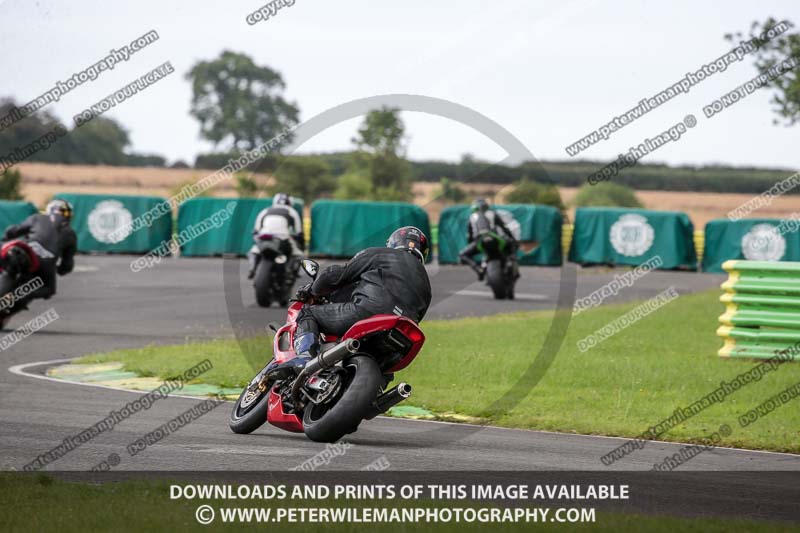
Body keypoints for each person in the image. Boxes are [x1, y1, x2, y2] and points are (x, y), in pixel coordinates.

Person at [276, 226, 432, 372]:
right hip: (403, 335)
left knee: (307, 314)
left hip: (369, 312)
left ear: (393, 243)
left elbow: (337, 274)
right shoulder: (426, 284)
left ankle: (304, 357)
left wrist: (312, 291)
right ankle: (375, 393)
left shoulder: (381, 254)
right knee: (384, 372)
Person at [1, 199, 77, 312]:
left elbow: (14, 230)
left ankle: (14, 298)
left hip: (23, 252)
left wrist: (7, 235)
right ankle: (16, 297)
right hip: (44, 265)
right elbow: (67, 265)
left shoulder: (37, 218)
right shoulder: (71, 234)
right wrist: (60, 270)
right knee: (49, 288)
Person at [247, 193, 304, 279]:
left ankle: (252, 268)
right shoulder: (292, 211)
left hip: (265, 236)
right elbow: (299, 231)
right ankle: (293, 272)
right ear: (290, 203)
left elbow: (256, 230)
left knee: (253, 252)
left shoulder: (265, 210)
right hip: (283, 237)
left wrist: (257, 239)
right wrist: (301, 244)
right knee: (298, 254)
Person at [458, 198, 516, 280]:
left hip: (480, 241)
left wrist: (472, 244)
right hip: (495, 240)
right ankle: (510, 261)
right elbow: (505, 228)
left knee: (462, 254)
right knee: (511, 244)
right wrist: (512, 239)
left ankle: (478, 269)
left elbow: (470, 236)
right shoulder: (493, 214)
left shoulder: (472, 217)